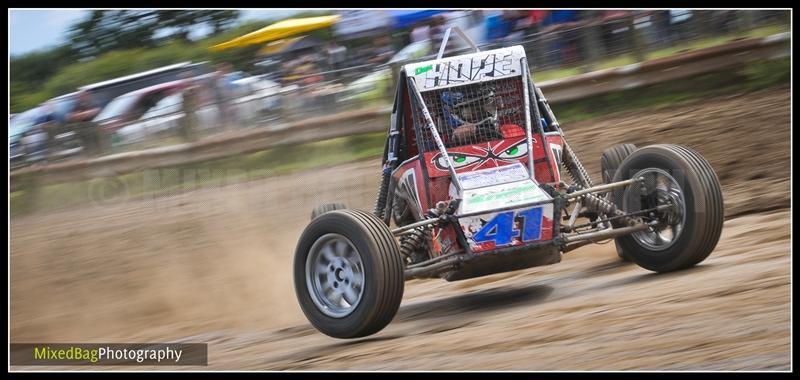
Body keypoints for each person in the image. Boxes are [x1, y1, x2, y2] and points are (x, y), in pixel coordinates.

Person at [66, 91, 103, 157]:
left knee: (98, 148)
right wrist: (86, 114)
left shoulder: (93, 104)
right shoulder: (77, 106)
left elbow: (97, 111)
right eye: (81, 96)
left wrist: (81, 115)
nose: (82, 97)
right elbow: (70, 117)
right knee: (88, 149)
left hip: (94, 131)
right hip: (83, 132)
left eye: (85, 95)